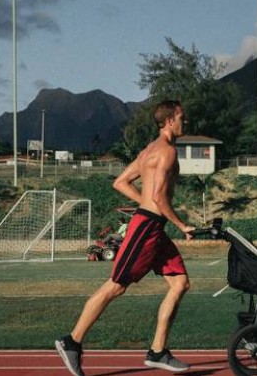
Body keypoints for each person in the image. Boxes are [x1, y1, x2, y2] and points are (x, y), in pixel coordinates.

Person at [55, 100, 196, 376]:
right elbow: (157, 197)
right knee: (116, 286)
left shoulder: (148, 151)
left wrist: (148, 203)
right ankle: (72, 341)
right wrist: (181, 225)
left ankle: (158, 351)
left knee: (180, 283)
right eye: (181, 117)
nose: (185, 122)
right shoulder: (166, 152)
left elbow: (120, 182)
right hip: (146, 229)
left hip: (154, 227)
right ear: (169, 120)